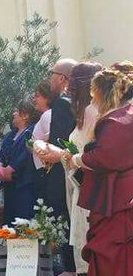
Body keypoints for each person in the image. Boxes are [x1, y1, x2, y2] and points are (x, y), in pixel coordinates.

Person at [66, 68, 133, 276]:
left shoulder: (116, 121)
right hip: (121, 193)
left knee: (113, 253)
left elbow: (106, 157)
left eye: (93, 95)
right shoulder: (126, 115)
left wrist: (76, 159)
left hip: (118, 197)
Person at [37, 61, 102, 275]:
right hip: (75, 178)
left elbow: (91, 153)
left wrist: (60, 155)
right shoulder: (80, 109)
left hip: (86, 181)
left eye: (72, 80)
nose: (67, 85)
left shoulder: (91, 111)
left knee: (86, 235)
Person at [46, 57, 78, 275]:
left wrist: (44, 149)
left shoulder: (61, 103)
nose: (50, 80)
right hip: (78, 165)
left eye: (52, 75)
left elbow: (60, 139)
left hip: (64, 167)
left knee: (65, 215)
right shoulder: (78, 102)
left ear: (62, 79)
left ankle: (70, 266)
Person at [0, 100, 38, 225]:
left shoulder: (32, 131)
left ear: (25, 115)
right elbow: (1, 155)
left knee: (23, 222)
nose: (13, 114)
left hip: (24, 184)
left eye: (16, 111)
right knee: (9, 222)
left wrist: (10, 169)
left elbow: (26, 153)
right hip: (9, 186)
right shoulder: (10, 135)